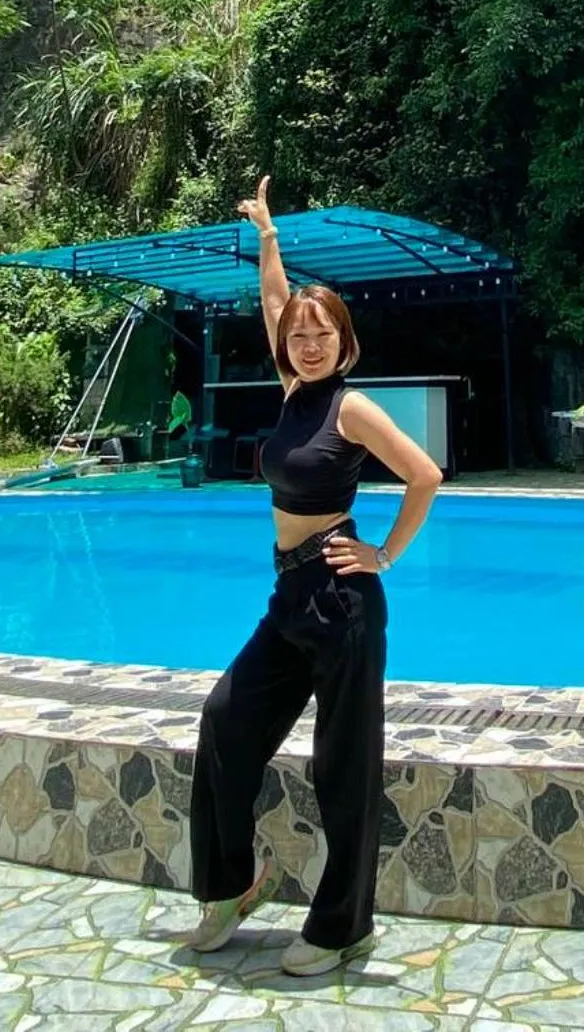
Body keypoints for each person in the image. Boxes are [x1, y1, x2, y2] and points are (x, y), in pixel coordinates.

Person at [184, 176, 443, 976]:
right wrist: (268, 236)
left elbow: (425, 473)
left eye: (321, 331)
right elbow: (272, 301)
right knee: (226, 723)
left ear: (344, 340)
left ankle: (343, 926)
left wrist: (383, 555)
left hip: (341, 598)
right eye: (299, 332)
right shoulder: (293, 390)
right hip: (288, 597)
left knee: (343, 763)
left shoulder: (351, 408)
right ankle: (231, 885)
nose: (306, 340)